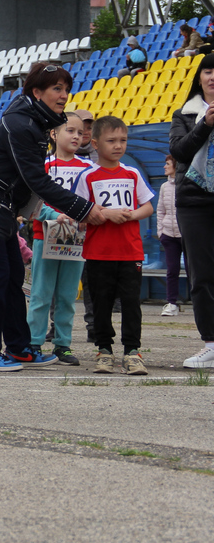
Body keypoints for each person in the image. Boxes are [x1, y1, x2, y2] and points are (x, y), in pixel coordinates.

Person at [0, 63, 105, 372]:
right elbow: (37, 180)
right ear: (37, 92)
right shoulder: (21, 125)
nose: (63, 96)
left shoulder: (32, 121)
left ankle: (19, 347)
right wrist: (84, 209)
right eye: (56, 89)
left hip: (0, 207)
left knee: (12, 276)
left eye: (66, 89)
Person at [74, 116, 154, 375]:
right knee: (101, 303)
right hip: (98, 253)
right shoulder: (87, 176)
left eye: (123, 140)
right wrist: (104, 213)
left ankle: (132, 351)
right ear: (96, 144)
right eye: (111, 141)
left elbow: (148, 206)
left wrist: (130, 214)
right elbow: (80, 211)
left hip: (130, 251)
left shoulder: (132, 173)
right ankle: (104, 349)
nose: (118, 146)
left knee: (131, 303)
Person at [26, 112, 91, 366]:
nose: (77, 136)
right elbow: (32, 200)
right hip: (45, 235)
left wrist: (85, 216)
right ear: (53, 134)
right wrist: (54, 214)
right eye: (70, 131)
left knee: (67, 295)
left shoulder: (88, 168)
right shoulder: (41, 166)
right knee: (41, 293)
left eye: (80, 132)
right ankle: (33, 342)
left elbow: (92, 200)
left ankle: (63, 344)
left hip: (77, 239)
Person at [168, 53, 214, 368]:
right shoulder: (185, 113)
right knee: (202, 275)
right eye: (208, 71)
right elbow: (179, 151)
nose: (213, 76)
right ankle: (211, 343)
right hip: (194, 201)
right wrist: (205, 126)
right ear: (199, 77)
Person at [158, 155, 183, 317]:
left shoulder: (186, 184)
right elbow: (160, 210)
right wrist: (161, 232)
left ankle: (201, 303)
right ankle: (171, 303)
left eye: (167, 164)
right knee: (172, 270)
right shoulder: (164, 187)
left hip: (187, 235)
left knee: (194, 269)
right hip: (168, 235)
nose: (164, 167)